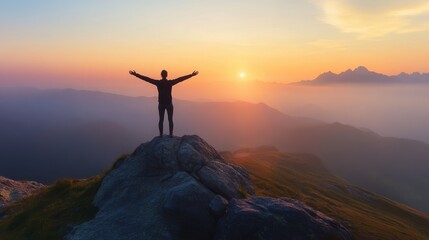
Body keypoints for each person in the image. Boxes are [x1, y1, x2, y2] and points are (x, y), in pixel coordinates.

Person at [129, 69, 199, 137]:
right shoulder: (170, 83)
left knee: (161, 120)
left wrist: (136, 74)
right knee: (170, 120)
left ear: (161, 75)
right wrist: (191, 75)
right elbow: (180, 79)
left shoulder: (158, 83)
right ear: (167, 75)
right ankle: (171, 134)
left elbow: (147, 79)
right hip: (169, 104)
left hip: (161, 104)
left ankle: (161, 134)